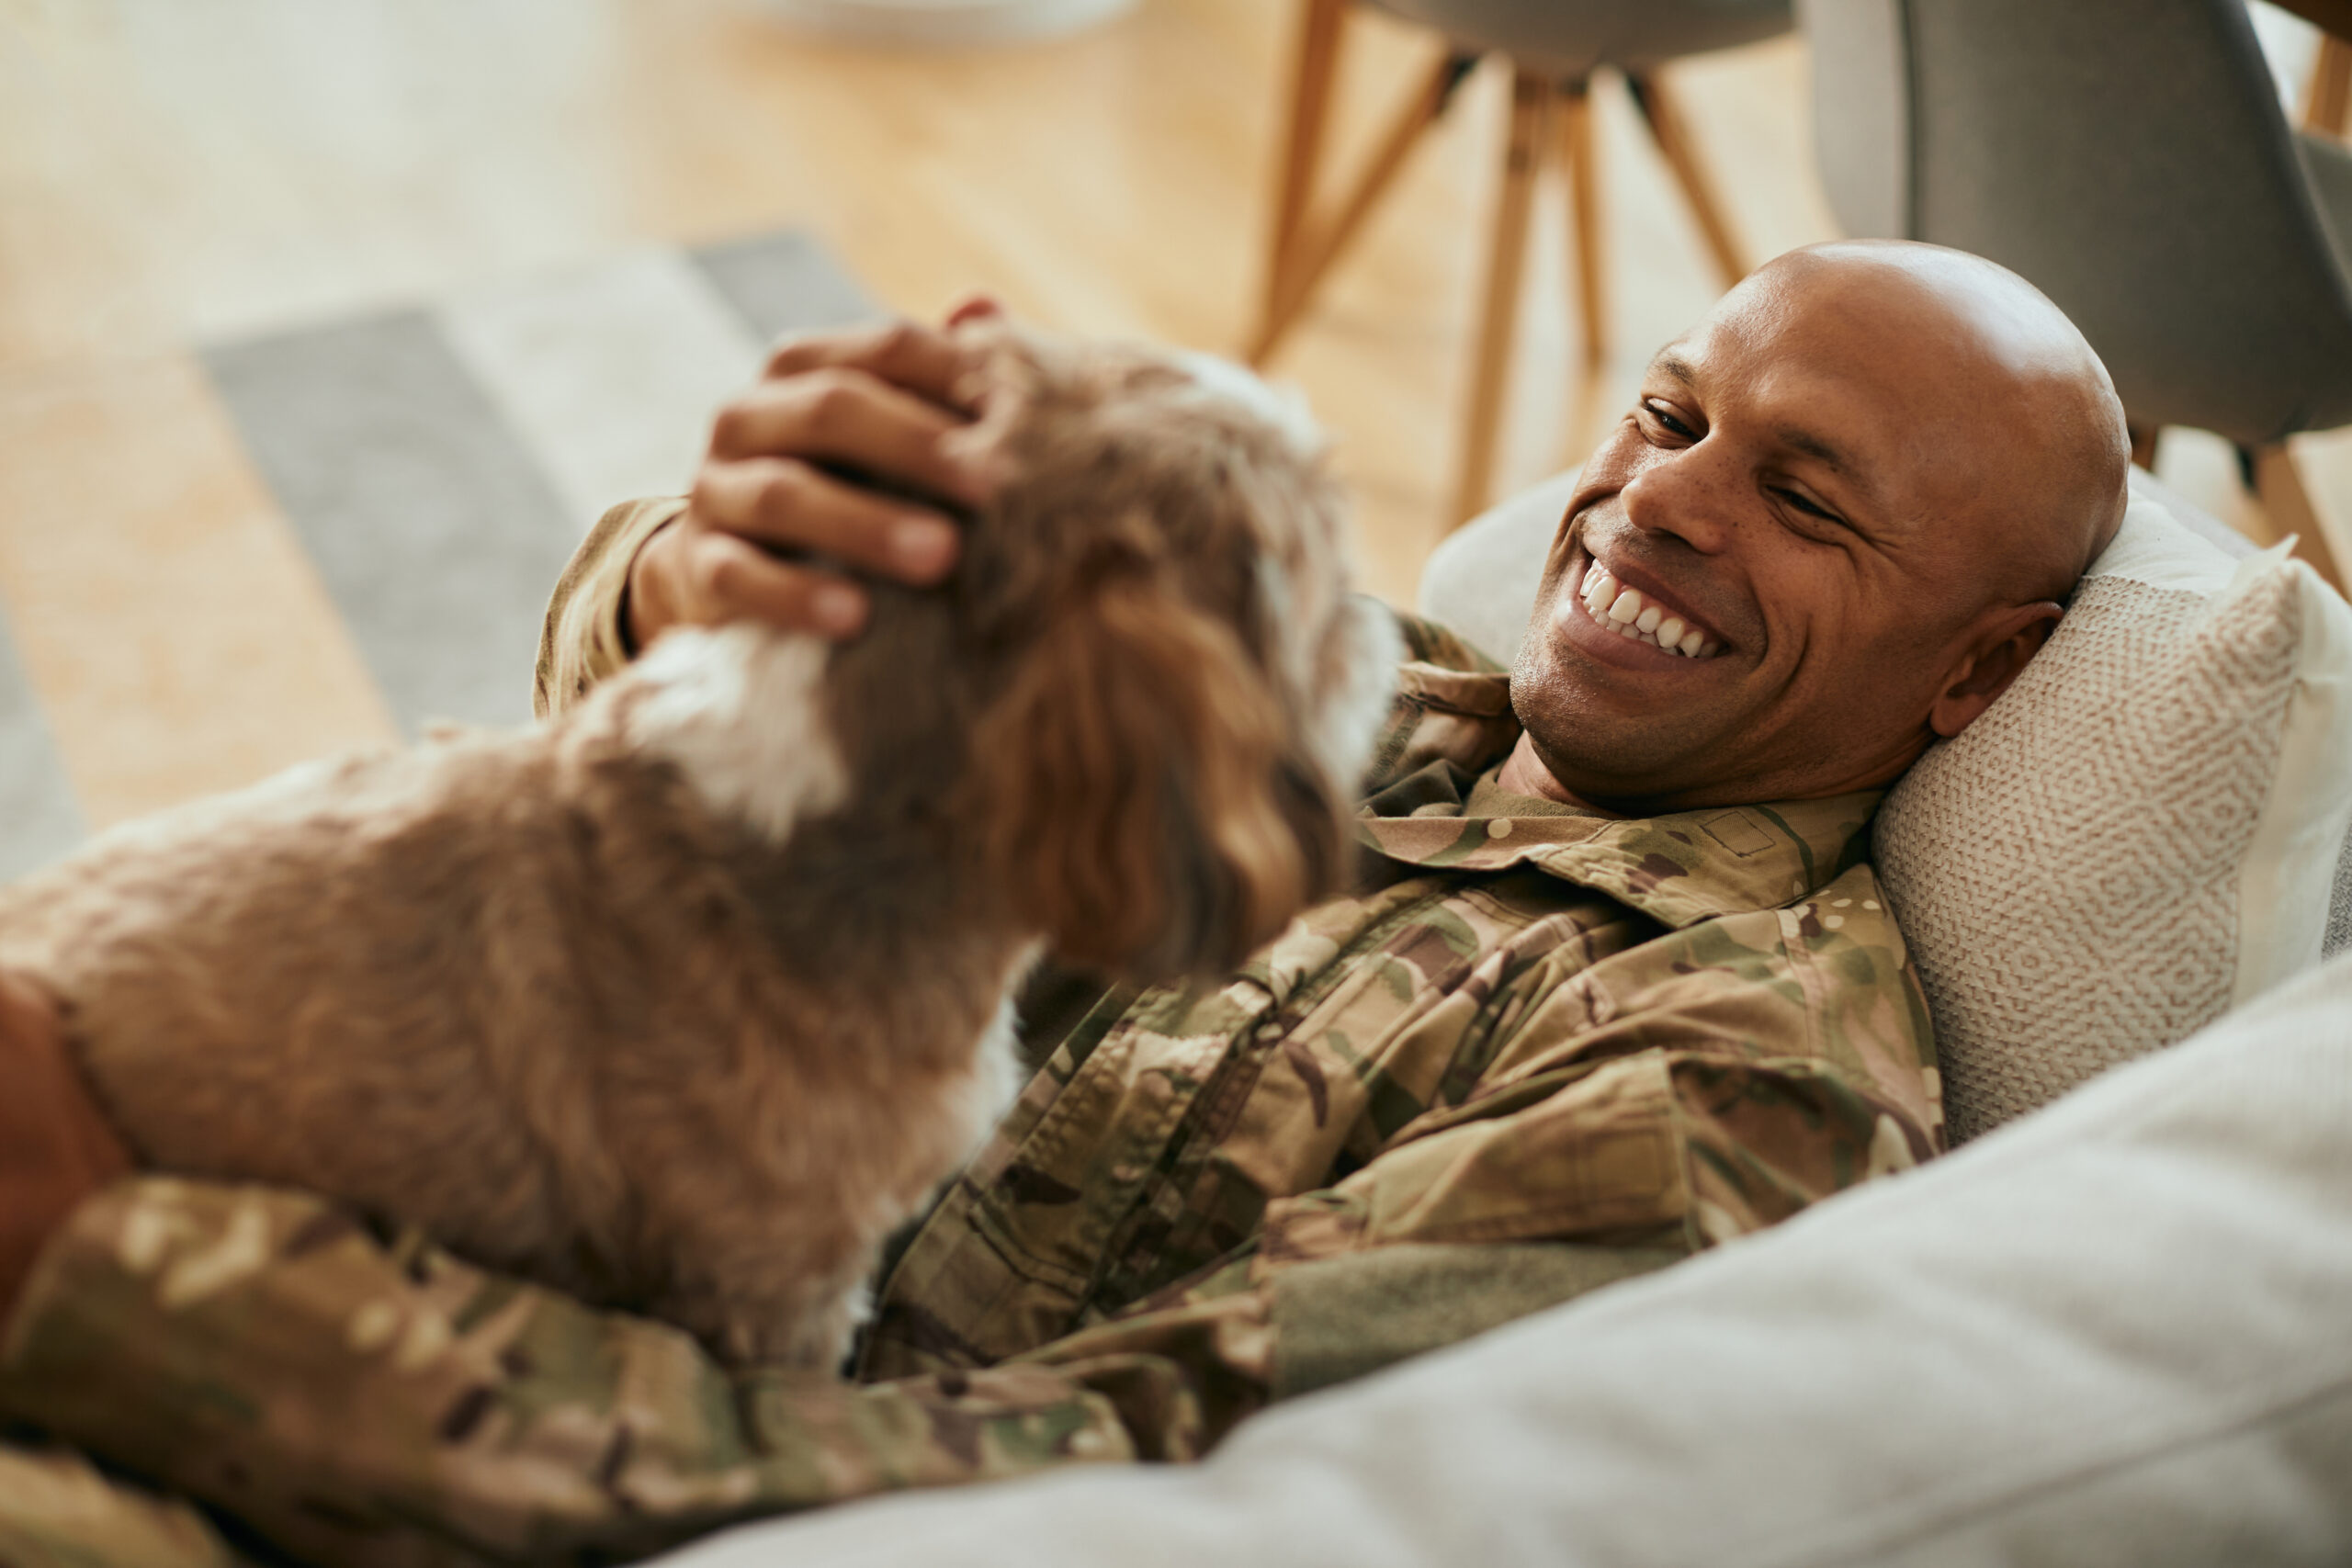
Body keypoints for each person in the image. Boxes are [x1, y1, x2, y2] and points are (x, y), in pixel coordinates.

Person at [0, 241, 2128, 1566]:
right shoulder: (1352, 683)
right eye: (1669, 412)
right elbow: (667, 843)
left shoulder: (1711, 1074)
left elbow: (1093, 1495)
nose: (1655, 498)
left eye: (1800, 494)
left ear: (1975, 668)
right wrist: (699, 579)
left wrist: (128, 1260)